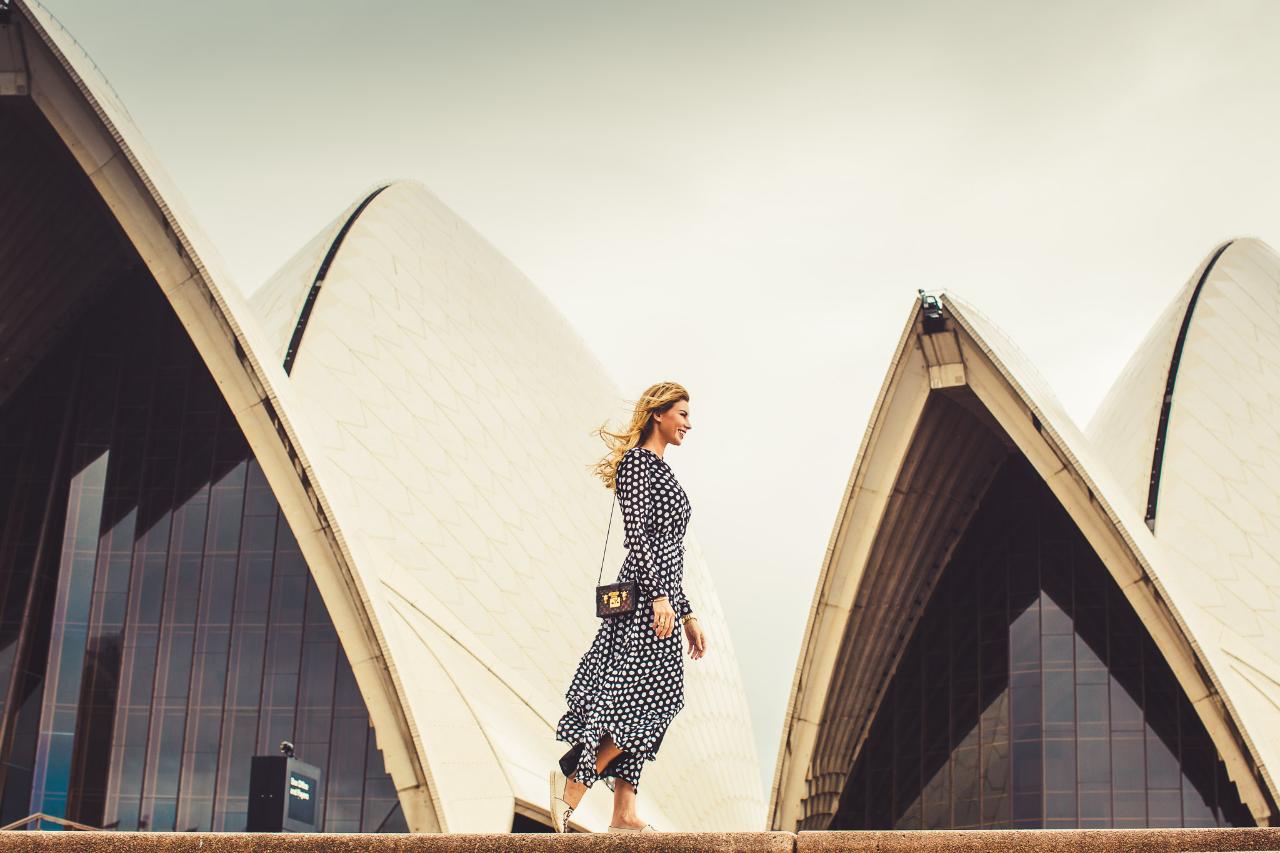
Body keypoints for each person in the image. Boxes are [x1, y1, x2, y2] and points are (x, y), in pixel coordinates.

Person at [548, 381, 709, 833]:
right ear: (659, 414)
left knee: (648, 702)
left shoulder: (661, 468)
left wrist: (688, 612)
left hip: (662, 599)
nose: (689, 424)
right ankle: (574, 778)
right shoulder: (638, 464)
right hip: (644, 602)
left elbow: (670, 551)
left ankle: (623, 812)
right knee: (646, 699)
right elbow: (637, 537)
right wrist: (658, 597)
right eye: (682, 414)